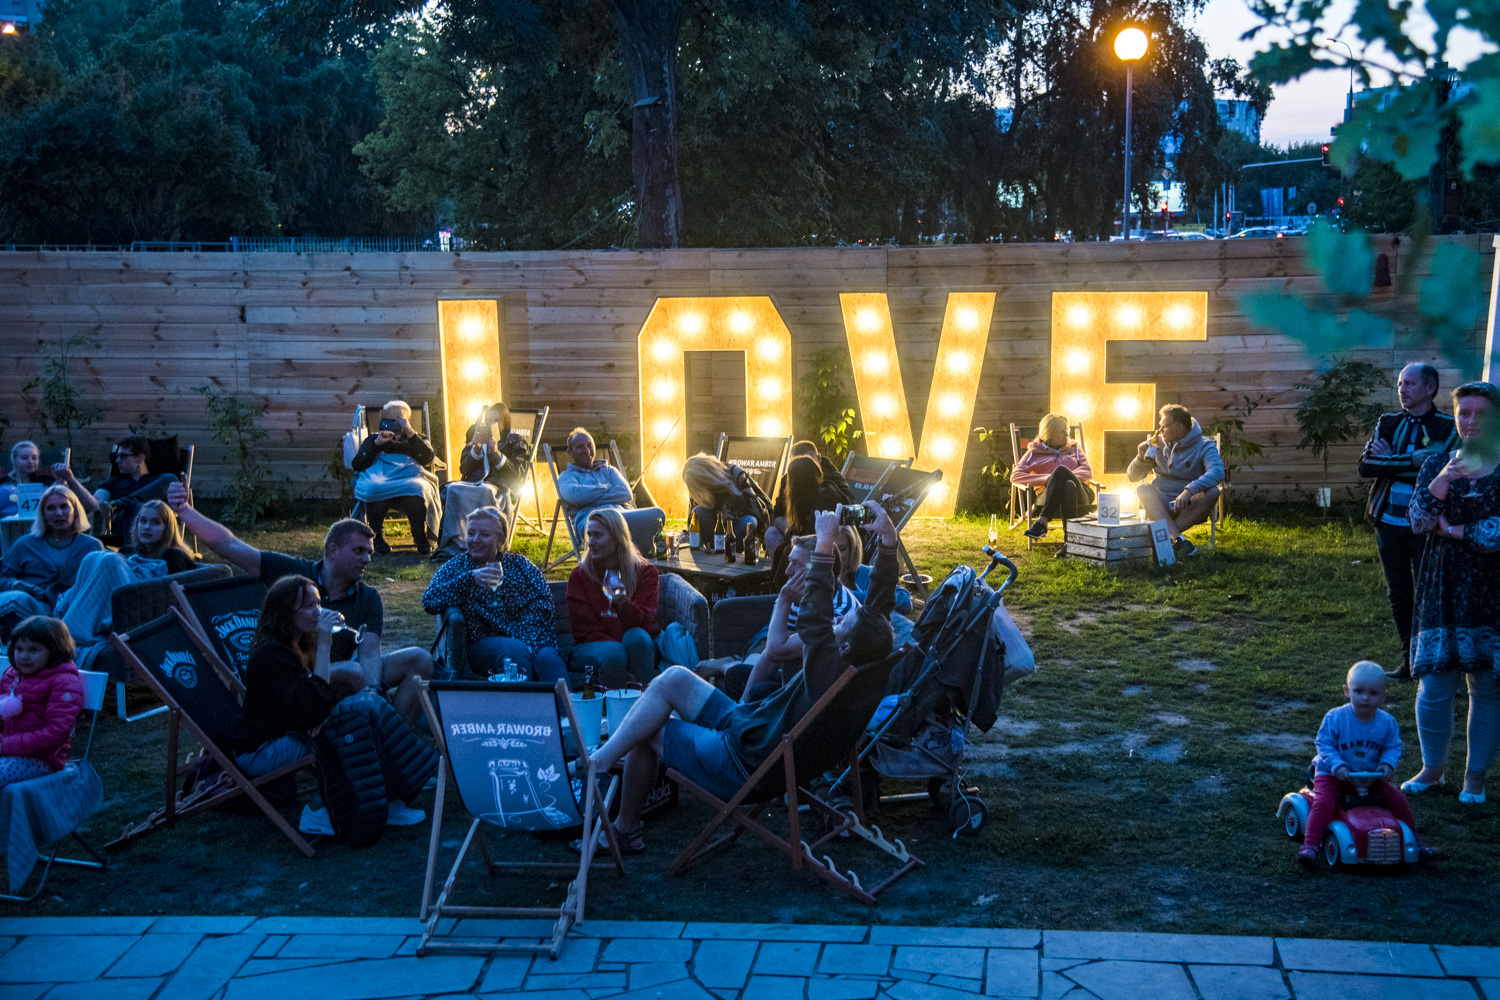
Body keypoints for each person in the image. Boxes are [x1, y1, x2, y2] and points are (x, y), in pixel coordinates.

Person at [581, 502, 898, 853]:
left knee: (647, 727)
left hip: (744, 760)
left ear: (845, 644)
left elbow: (813, 623)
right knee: (674, 678)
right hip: (754, 729)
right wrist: (887, 538)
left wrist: (824, 546)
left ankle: (615, 806)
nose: (838, 623)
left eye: (842, 626)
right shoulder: (868, 658)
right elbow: (878, 607)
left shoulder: (828, 667)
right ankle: (604, 760)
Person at [167, 481, 433, 728]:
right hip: (299, 677)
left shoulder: (368, 596)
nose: (367, 560)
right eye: (359, 551)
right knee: (353, 672)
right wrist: (185, 511)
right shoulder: (293, 576)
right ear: (332, 551)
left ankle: (393, 731)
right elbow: (229, 545)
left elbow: (370, 652)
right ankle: (379, 732)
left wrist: (373, 689)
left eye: (369, 553)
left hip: (348, 675)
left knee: (418, 659)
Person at [231, 576, 426, 832]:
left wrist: (318, 716)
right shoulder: (271, 653)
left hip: (292, 731)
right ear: (285, 611)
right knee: (347, 730)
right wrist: (324, 644)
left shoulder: (296, 641)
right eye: (309, 606)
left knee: (358, 712)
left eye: (319, 604)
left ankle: (389, 796)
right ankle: (319, 810)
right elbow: (312, 704)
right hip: (261, 751)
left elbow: (313, 701)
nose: (319, 612)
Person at [1402, 381, 1500, 806]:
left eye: (1481, 413)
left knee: (1486, 687)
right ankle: (1433, 768)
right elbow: (1419, 521)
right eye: (1464, 413)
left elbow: (1497, 535)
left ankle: (1474, 778)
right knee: (1434, 685)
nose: (1471, 421)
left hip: (1490, 589)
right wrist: (1442, 478)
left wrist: (1457, 531)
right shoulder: (1437, 465)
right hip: (1441, 586)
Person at [1358, 363, 1460, 680]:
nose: (1402, 389)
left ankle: (1436, 661)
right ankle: (1409, 661)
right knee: (1399, 593)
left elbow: (1445, 470)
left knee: (1430, 594)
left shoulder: (1446, 426)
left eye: (1410, 384)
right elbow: (1365, 466)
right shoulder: (1388, 422)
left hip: (1427, 528)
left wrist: (1390, 461)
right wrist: (1411, 460)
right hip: (1387, 522)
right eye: (1400, 383)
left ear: (1430, 389)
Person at [1297, 660, 1437, 868]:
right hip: (1332, 774)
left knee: (1397, 798)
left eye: (1373, 693)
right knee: (1324, 802)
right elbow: (1324, 744)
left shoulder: (1387, 722)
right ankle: (1310, 845)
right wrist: (1337, 765)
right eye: (1359, 691)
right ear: (1347, 691)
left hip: (1369, 775)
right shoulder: (1336, 718)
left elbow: (1393, 746)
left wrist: (1387, 765)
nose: (1365, 697)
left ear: (1383, 696)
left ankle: (1415, 842)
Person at [422, 506, 566, 681]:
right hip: (482, 645)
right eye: (471, 533)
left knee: (549, 660)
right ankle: (521, 708)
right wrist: (468, 580)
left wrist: (527, 638)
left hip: (531, 637)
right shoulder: (456, 567)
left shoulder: (520, 565)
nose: (475, 540)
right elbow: (429, 601)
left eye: (484, 535)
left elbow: (543, 604)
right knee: (513, 651)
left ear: (500, 540)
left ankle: (568, 708)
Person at [53, 500, 197, 648]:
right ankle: (71, 625)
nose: (147, 527)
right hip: (113, 601)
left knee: (109, 560)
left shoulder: (174, 556)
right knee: (91, 558)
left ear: (167, 528)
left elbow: (172, 595)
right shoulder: (128, 551)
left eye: (155, 523)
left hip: (141, 607)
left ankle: (70, 632)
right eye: (143, 521)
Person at [567, 508, 660, 688]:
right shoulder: (580, 576)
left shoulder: (645, 572)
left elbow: (644, 621)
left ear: (618, 538)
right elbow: (584, 631)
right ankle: (612, 711)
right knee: (614, 653)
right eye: (589, 536)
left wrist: (624, 604)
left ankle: (644, 707)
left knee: (638, 638)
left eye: (598, 536)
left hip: (633, 643)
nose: (591, 542)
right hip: (590, 646)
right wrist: (620, 645)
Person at [0, 486, 103, 634]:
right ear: (43, 514)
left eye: (64, 507)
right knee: (16, 601)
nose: (58, 513)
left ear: (75, 511)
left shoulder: (91, 545)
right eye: (51, 508)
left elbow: (98, 587)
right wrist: (14, 584)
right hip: (32, 608)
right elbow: (3, 577)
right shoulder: (24, 544)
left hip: (75, 611)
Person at [1126, 404, 1225, 557]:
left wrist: (1189, 490)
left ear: (1179, 428)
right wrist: (1139, 457)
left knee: (1213, 491)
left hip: (1189, 504)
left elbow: (1217, 472)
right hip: (1160, 502)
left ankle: (1165, 538)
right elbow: (1133, 477)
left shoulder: (1204, 445)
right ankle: (1178, 540)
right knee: (1142, 489)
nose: (1159, 431)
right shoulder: (1156, 445)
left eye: (1164, 427)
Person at [0, 616, 84, 790]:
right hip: (7, 753)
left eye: (33, 650)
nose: (24, 656)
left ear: (54, 651)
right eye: (19, 649)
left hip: (41, 759)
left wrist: (5, 745)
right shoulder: (12, 675)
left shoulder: (63, 682)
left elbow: (55, 733)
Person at [350, 400, 441, 555]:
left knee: (418, 488)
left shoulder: (417, 439)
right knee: (373, 488)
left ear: (408, 421)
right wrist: (377, 443)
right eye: (389, 419)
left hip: (408, 480)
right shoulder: (374, 439)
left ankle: (419, 536)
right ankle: (377, 538)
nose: (393, 423)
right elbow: (358, 464)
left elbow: (428, 458)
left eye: (398, 419)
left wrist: (411, 433)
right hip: (381, 480)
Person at [1012, 413, 1095, 539]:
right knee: (1068, 485)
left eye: (1067, 430)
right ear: (1050, 433)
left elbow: (1087, 471)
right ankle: (1069, 541)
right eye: (1062, 431)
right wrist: (1049, 480)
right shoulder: (1034, 451)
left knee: (1062, 472)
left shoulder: (1074, 447)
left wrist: (1060, 476)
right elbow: (1016, 476)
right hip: (1046, 495)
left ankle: (1042, 522)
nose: (1067, 435)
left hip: (1081, 493)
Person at [768, 440, 853, 550]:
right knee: (771, 534)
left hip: (826, 535)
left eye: (806, 463)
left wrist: (799, 537)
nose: (801, 468)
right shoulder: (790, 478)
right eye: (796, 464)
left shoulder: (828, 489)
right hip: (797, 530)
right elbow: (778, 513)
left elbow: (846, 507)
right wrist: (792, 530)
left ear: (818, 459)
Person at [683, 453, 767, 557]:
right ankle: (716, 556)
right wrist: (718, 514)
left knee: (749, 521)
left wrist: (732, 504)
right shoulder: (698, 487)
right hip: (713, 528)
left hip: (739, 522)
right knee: (698, 511)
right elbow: (692, 520)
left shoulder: (735, 473)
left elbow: (755, 507)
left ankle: (731, 556)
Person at [557, 427, 635, 537]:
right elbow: (575, 495)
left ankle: (638, 553)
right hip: (591, 519)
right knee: (614, 525)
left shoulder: (609, 470)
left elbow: (626, 494)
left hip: (622, 514)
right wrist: (607, 487)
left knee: (656, 514)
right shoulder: (566, 476)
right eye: (580, 447)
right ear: (570, 452)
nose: (587, 450)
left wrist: (588, 500)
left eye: (589, 445)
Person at [92, 436, 177, 537]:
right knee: (139, 507)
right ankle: (132, 549)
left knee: (171, 479)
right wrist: (73, 482)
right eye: (117, 456)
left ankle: (119, 504)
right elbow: (96, 504)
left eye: (123, 456)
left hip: (158, 526)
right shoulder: (112, 482)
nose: (117, 461)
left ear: (140, 458)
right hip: (124, 527)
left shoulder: (160, 480)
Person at [2, 441, 92, 518]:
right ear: (13, 460)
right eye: (24, 458)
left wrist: (61, 484)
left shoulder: (48, 482)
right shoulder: (3, 485)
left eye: (34, 458)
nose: (30, 461)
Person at [765, 455, 823, 555]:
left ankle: (789, 567)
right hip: (800, 538)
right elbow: (777, 513)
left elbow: (810, 534)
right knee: (771, 533)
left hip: (816, 544)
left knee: (786, 549)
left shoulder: (822, 499)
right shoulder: (800, 498)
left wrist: (792, 534)